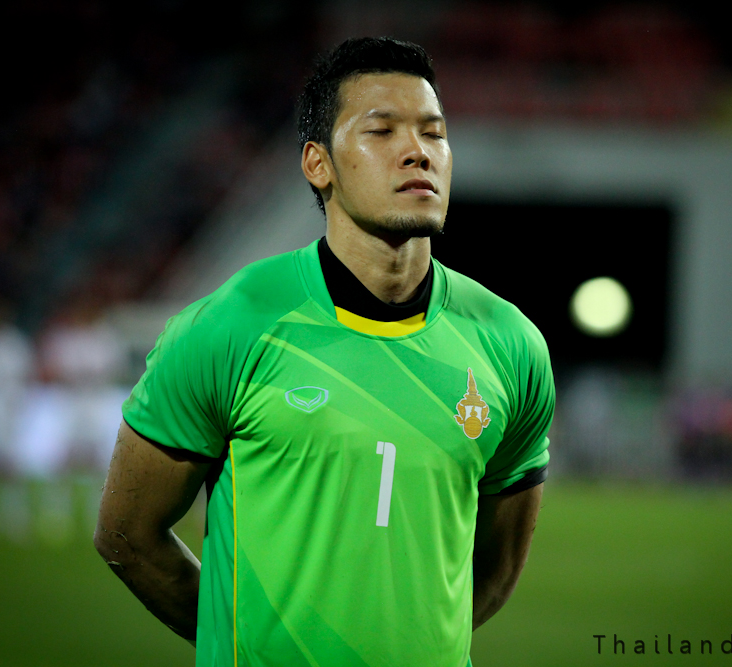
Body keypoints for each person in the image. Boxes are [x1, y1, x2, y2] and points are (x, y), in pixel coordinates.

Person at [95, 37, 554, 666]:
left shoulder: (510, 345)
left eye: (434, 132)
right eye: (382, 131)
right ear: (319, 164)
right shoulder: (230, 327)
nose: (418, 151)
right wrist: (241, 640)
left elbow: (495, 572)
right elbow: (127, 534)